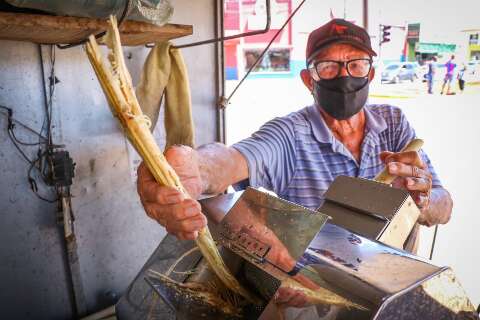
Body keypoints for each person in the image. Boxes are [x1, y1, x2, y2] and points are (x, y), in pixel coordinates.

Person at [137, 19, 453, 309]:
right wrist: (196, 167)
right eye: (328, 66)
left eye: (356, 64)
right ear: (308, 78)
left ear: (370, 73)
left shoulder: (394, 124)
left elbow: (444, 205)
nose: (344, 76)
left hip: (393, 292)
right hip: (316, 297)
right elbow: (237, 158)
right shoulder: (291, 133)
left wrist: (421, 201)